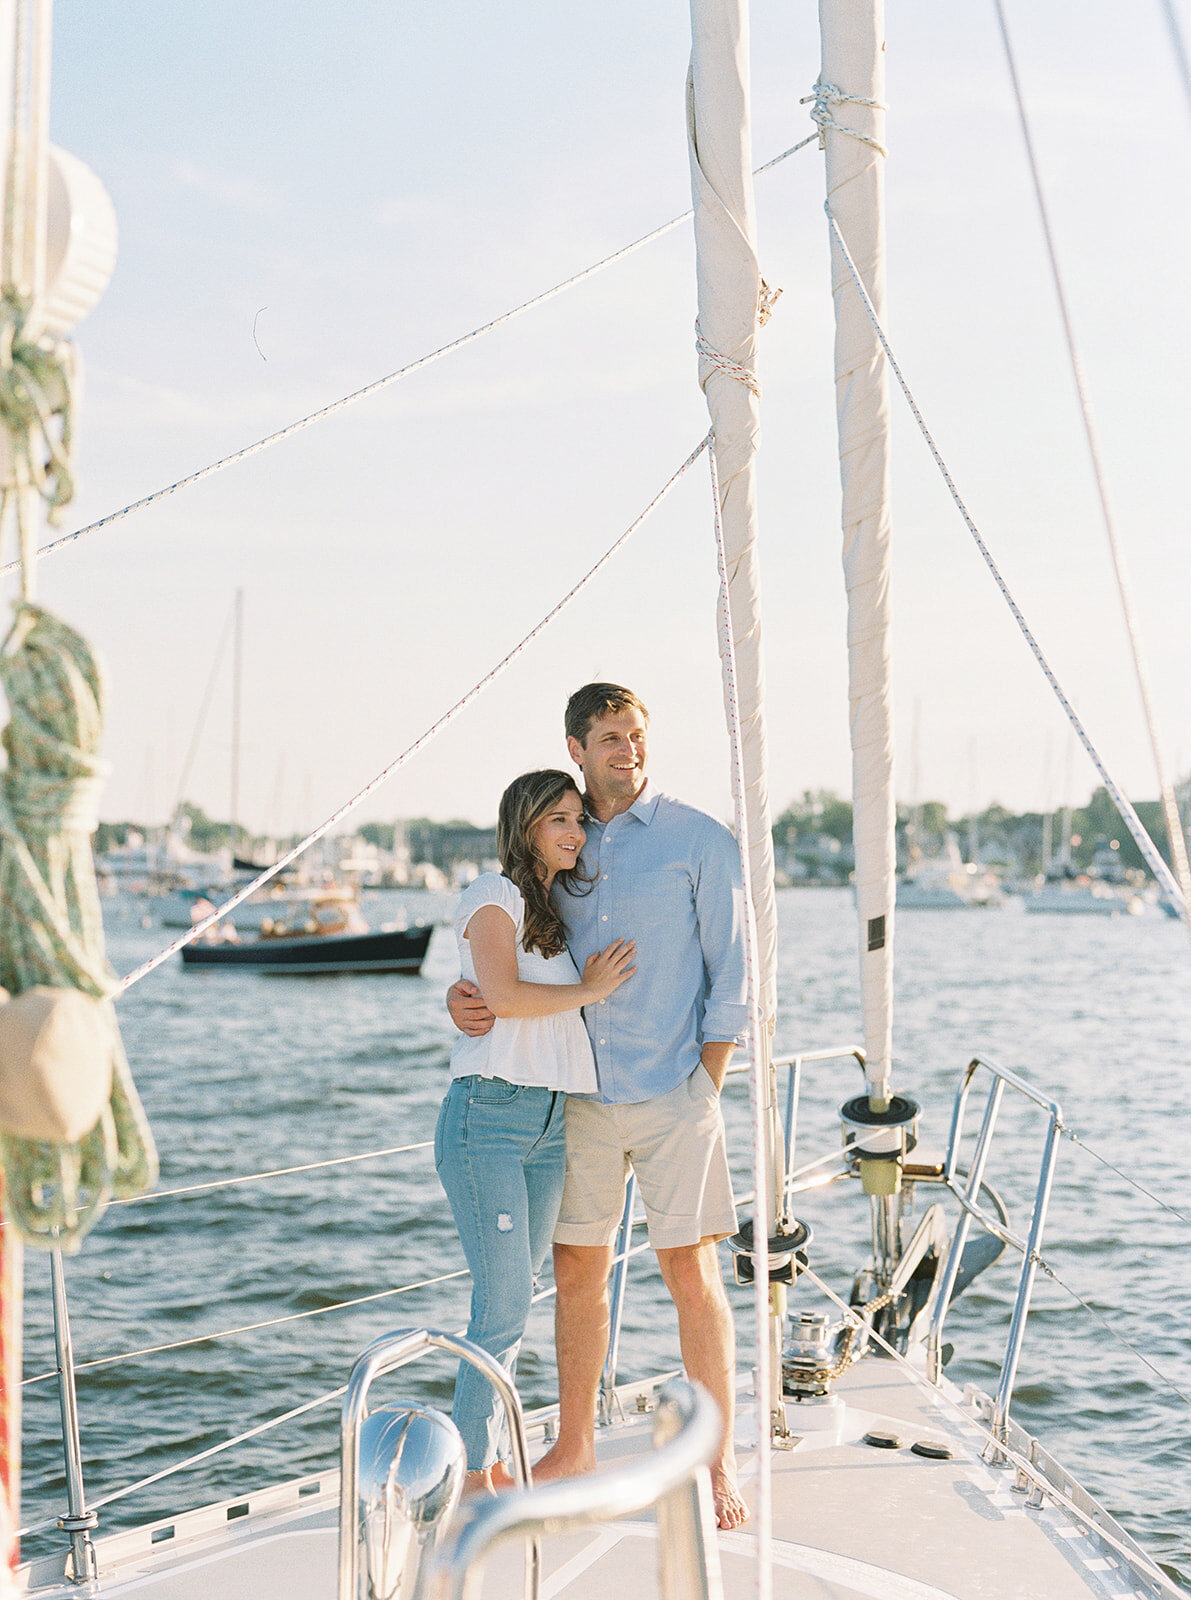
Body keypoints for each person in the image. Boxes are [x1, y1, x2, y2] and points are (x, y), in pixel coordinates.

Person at [448, 684, 750, 1529]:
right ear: (576, 746)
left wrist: (705, 1083)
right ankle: (574, 1442)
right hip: (576, 1102)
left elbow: (736, 976)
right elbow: (505, 955)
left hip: (672, 1093)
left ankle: (716, 1461)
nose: (628, 749)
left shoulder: (698, 839)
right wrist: (459, 996)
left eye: (636, 735)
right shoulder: (559, 848)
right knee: (578, 1271)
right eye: (611, 737)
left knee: (687, 1272)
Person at [436, 767, 636, 1497]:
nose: (575, 833)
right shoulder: (491, 897)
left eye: (579, 821)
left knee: (516, 1301)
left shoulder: (548, 911)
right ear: (524, 826)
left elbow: (490, 996)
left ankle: (485, 1461)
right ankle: (468, 1472)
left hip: (551, 1121)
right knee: (502, 1304)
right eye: (559, 820)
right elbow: (499, 996)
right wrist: (592, 989)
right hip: (488, 1116)